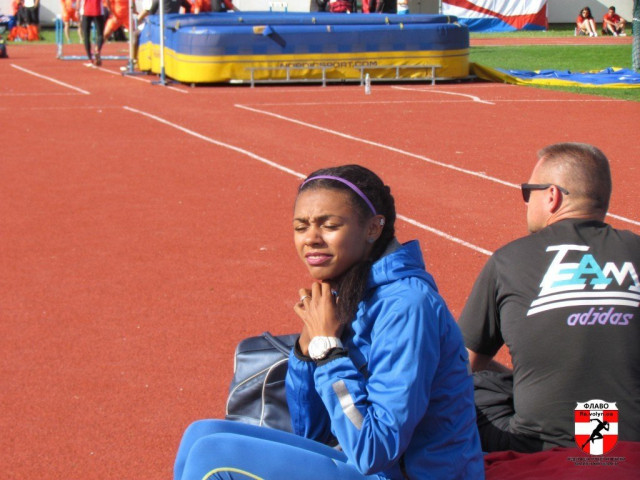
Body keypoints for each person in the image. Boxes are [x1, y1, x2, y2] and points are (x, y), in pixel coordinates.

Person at [174, 165, 484, 480]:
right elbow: (312, 431)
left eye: (330, 225)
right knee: (201, 434)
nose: (311, 238)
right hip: (366, 464)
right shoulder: (347, 294)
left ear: (373, 228)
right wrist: (306, 353)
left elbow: (374, 449)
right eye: (301, 227)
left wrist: (328, 351)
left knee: (212, 456)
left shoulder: (407, 307)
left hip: (403, 473)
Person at [458, 142, 640, 453]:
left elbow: (462, 365)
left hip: (540, 446)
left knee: (467, 387)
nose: (527, 202)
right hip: (628, 444)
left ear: (552, 196)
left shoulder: (509, 261)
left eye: (528, 192)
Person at [78, 0, 105, 66]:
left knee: (86, 35)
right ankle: (97, 49)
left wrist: (77, 10)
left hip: (86, 11)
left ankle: (90, 57)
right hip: (98, 11)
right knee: (100, 34)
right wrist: (110, 9)